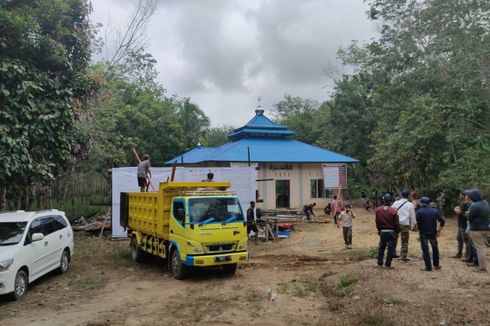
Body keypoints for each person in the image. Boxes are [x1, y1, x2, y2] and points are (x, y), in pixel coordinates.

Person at [416, 197, 445, 271]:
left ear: (421, 203)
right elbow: (442, 221)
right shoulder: (435, 211)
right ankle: (436, 265)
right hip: (433, 233)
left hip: (423, 233)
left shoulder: (419, 212)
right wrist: (439, 230)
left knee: (425, 250)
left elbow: (417, 224)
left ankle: (428, 267)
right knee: (435, 248)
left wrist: (417, 229)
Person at [466, 189, 490, 273]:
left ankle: (482, 267)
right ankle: (479, 264)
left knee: (480, 248)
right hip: (486, 228)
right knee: (481, 247)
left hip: (476, 229)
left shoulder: (474, 205)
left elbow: (470, 218)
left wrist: (467, 214)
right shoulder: (485, 203)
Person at [375, 194, 400, 269]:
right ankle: (388, 264)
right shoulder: (393, 211)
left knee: (381, 247)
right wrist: (397, 231)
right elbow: (396, 223)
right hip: (391, 232)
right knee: (391, 249)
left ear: (384, 200)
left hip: (382, 231)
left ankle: (379, 263)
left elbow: (377, 221)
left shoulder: (378, 210)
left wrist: (379, 230)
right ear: (391, 201)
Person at [391, 189, 417, 262]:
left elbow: (391, 211)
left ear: (401, 195)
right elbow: (412, 216)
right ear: (408, 196)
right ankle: (403, 256)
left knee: (394, 239)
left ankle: (392, 253)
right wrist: (413, 224)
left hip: (395, 224)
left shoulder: (396, 203)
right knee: (404, 241)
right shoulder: (410, 204)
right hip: (405, 224)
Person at [453, 191, 470, 259]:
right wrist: (458, 208)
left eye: (460, 195)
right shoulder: (462, 203)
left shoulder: (466, 204)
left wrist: (455, 209)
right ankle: (459, 254)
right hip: (460, 224)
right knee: (459, 239)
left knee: (465, 240)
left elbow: (458, 212)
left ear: (464, 196)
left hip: (464, 225)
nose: (459, 196)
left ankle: (466, 256)